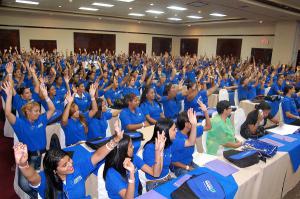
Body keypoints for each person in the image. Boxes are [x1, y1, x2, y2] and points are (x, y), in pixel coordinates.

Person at [13, 122, 123, 199]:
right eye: (65, 165)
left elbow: (97, 155)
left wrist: (115, 140)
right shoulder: (45, 179)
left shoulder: (78, 169)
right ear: (54, 170)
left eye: (69, 160)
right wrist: (23, 164)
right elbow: (32, 176)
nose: (71, 164)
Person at [2, 81, 55, 198]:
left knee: (44, 179)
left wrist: (46, 97)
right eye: (36, 111)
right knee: (23, 184)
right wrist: (9, 95)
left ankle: (43, 194)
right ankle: (36, 195)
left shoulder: (41, 119)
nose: (38, 113)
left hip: (43, 156)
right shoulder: (20, 124)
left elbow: (51, 109)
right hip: (29, 158)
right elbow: (7, 113)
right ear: (27, 112)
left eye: (38, 110)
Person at [143, 109, 197, 191]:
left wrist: (194, 125)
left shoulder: (170, 143)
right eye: (174, 129)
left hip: (168, 179)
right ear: (165, 132)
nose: (176, 131)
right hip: (155, 184)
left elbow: (191, 142)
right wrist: (159, 152)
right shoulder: (150, 148)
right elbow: (156, 174)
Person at [103, 133, 166, 199]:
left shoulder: (133, 158)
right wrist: (131, 173)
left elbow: (155, 173)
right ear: (122, 151)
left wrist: (158, 152)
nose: (133, 147)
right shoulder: (112, 173)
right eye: (130, 146)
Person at [171, 102, 211, 177]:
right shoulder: (176, 138)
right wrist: (188, 168)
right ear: (186, 124)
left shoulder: (192, 131)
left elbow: (208, 127)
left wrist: (205, 111)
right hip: (179, 167)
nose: (195, 121)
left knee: (205, 175)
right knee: (191, 180)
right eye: (193, 120)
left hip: (190, 162)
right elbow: (173, 161)